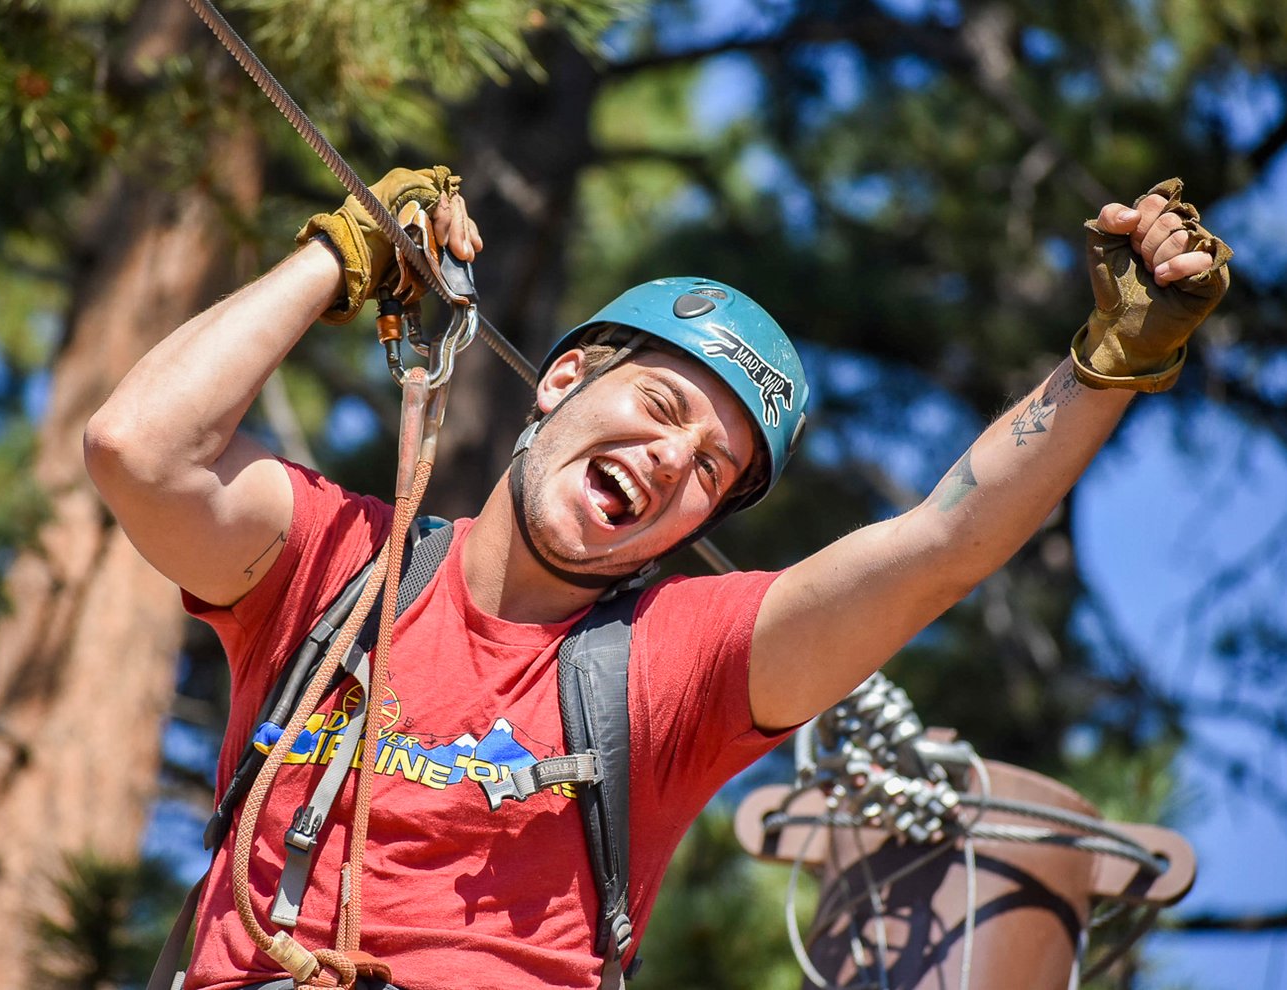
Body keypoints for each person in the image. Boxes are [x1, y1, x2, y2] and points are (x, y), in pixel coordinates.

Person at [84, 166, 1229, 990]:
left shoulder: (673, 669)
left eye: (711, 468)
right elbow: (139, 449)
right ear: (562, 379)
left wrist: (1111, 366)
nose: (673, 459)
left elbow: (941, 545)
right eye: (663, 406)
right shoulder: (339, 569)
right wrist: (340, 256)